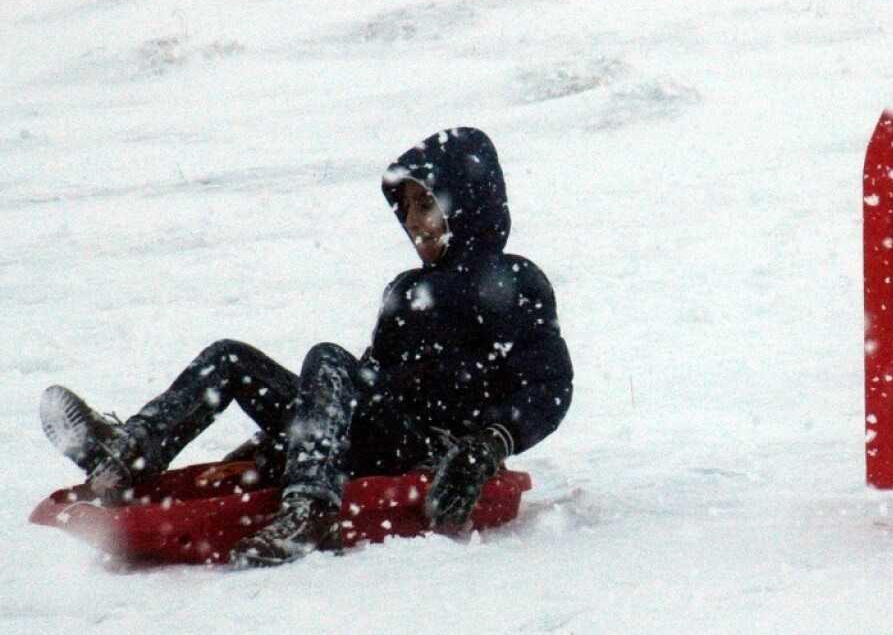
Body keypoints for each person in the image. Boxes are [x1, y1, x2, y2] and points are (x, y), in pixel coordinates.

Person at [40, 127, 573, 567]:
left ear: (468, 203)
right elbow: (368, 380)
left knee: (328, 358)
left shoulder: (511, 281)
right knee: (231, 358)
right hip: (378, 434)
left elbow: (549, 386)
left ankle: (311, 509)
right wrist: (282, 440)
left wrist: (489, 446)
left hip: (432, 450)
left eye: (425, 204)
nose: (412, 222)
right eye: (406, 207)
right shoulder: (407, 290)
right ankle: (125, 456)